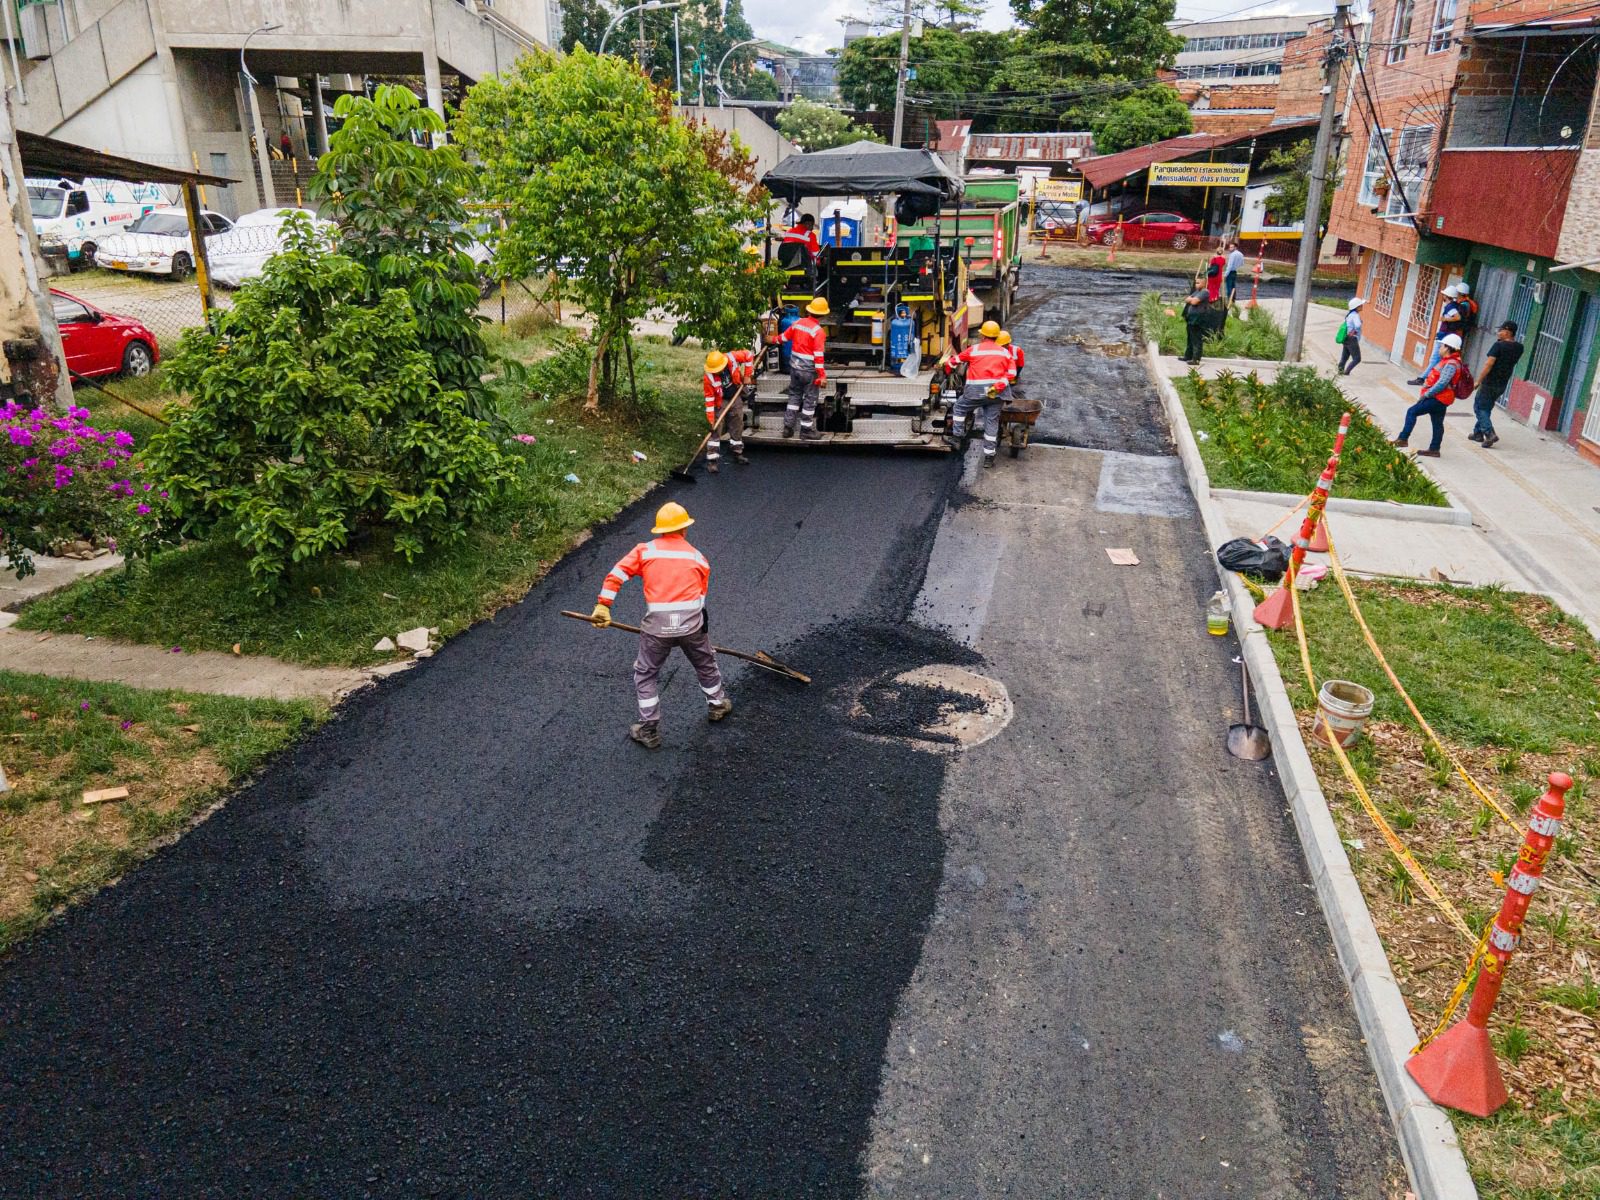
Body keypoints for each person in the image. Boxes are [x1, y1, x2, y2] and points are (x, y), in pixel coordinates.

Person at [590, 502, 730, 749]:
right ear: (685, 529)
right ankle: (717, 705)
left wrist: (604, 606)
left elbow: (617, 574)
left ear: (660, 530)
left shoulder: (645, 552)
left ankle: (649, 729)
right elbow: (701, 596)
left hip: (656, 629)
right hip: (692, 627)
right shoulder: (699, 558)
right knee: (706, 663)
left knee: (646, 674)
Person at [941, 319, 1012, 467]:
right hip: (996, 394)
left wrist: (947, 365)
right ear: (997, 336)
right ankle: (989, 457)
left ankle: (957, 437)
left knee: (959, 408)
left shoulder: (974, 349)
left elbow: (955, 361)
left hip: (975, 393)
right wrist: (998, 386)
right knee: (991, 422)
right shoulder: (1005, 353)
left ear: (983, 336)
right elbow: (1011, 374)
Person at [1393, 332, 1464, 458]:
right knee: (1437, 423)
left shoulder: (1451, 364)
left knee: (1412, 412)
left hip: (1438, 397)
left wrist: (1427, 395)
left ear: (1448, 347)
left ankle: (1403, 439)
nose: (1440, 349)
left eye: (1442, 346)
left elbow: (1442, 383)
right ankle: (1434, 449)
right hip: (1442, 398)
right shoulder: (1448, 361)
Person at [778, 297, 828, 440]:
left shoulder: (797, 323)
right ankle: (806, 429)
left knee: (794, 396)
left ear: (809, 310)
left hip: (794, 368)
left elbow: (783, 338)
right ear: (823, 314)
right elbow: (818, 357)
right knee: (810, 400)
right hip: (808, 372)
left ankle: (788, 428)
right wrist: (822, 375)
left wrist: (771, 340)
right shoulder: (818, 331)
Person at [1471, 321, 1523, 450]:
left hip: (1490, 382)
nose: (1498, 333)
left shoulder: (1498, 346)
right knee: (1486, 407)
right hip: (1502, 383)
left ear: (1507, 332)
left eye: (1500, 330)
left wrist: (1478, 380)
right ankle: (1478, 433)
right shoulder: (1519, 347)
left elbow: (1489, 364)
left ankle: (1489, 433)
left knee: (1479, 407)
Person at [702, 349, 754, 472]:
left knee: (737, 423)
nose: (717, 372)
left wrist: (747, 375)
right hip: (721, 401)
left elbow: (749, 355)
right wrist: (710, 419)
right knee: (716, 427)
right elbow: (709, 399)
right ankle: (712, 460)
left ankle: (737, 452)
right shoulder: (708, 377)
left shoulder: (731, 358)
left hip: (735, 395)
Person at [1408, 284, 1464, 385]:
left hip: (1444, 336)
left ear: (1447, 296)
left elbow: (1457, 317)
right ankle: (1431, 378)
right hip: (1446, 336)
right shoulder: (1454, 305)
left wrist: (1445, 319)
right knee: (1439, 360)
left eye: (1444, 295)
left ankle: (1422, 378)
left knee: (1434, 359)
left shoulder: (1450, 306)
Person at [1181, 283, 1211, 364]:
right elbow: (1187, 299)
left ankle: (1196, 359)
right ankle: (1188, 356)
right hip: (1191, 317)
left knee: (1196, 338)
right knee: (1190, 337)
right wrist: (1192, 299)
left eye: (1198, 282)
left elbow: (1194, 302)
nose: (1196, 284)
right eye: (1196, 282)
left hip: (1198, 318)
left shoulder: (1205, 292)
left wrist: (1193, 300)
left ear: (1204, 282)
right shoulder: (1197, 291)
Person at [1338, 297, 1365, 375]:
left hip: (1346, 338)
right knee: (1357, 359)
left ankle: (1340, 372)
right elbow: (1358, 325)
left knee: (1344, 357)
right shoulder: (1355, 315)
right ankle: (1346, 372)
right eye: (1360, 305)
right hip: (1352, 339)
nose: (1362, 306)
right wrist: (1355, 330)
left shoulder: (1349, 315)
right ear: (1357, 307)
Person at [997, 330, 1025, 396]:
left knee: (1016, 391)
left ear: (1007, 344)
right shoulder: (995, 350)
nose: (1000, 347)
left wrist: (1014, 378)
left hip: (1013, 373)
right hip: (999, 374)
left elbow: (1020, 365)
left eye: (1002, 345)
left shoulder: (1017, 350)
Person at [1224, 240, 1246, 305]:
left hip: (1230, 272)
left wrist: (1225, 274)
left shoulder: (1232, 255)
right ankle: (1233, 300)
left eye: (1232, 247)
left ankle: (1229, 301)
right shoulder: (1241, 254)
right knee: (1233, 287)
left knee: (1229, 287)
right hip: (1235, 272)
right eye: (1230, 247)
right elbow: (1242, 263)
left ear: (1235, 247)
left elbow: (1229, 266)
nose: (1230, 248)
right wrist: (1236, 266)